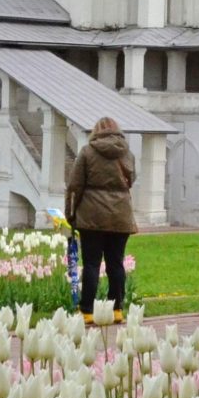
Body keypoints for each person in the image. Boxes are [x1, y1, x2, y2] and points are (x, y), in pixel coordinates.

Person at [63, 117, 137, 320]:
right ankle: (117, 309)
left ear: (96, 132)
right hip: (121, 216)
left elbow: (74, 186)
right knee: (116, 264)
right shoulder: (127, 154)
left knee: (92, 265)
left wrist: (70, 213)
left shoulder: (87, 152)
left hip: (92, 217)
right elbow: (131, 180)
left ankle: (86, 311)